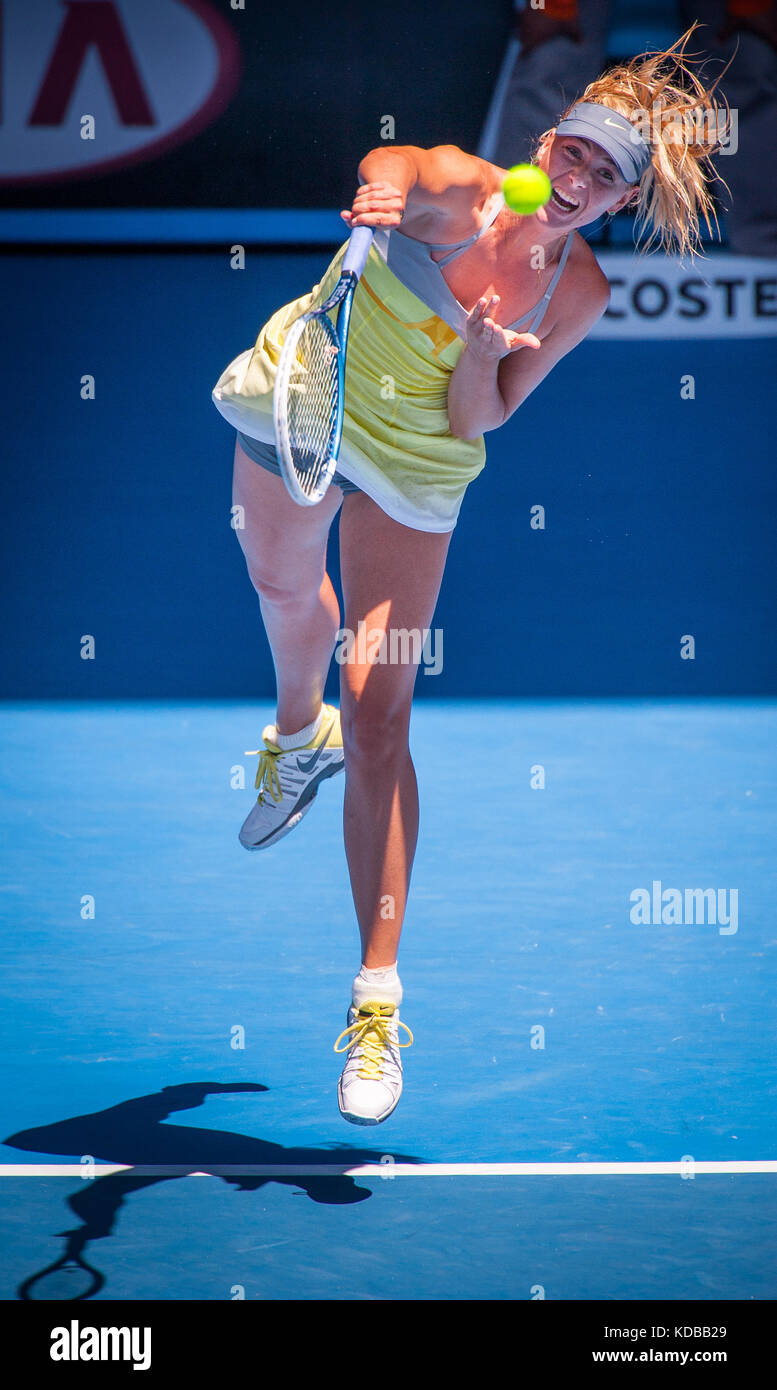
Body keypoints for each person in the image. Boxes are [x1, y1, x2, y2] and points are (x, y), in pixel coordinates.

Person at [212, 27, 725, 1126]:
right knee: (281, 589)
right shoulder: (460, 189)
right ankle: (295, 738)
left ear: (622, 200)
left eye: (606, 175)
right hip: (313, 387)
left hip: (418, 460)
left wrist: (487, 359)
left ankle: (376, 1001)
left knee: (381, 711)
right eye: (574, 152)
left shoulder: (576, 292)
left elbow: (478, 419)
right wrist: (380, 194)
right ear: (546, 145)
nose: (579, 179)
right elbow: (400, 165)